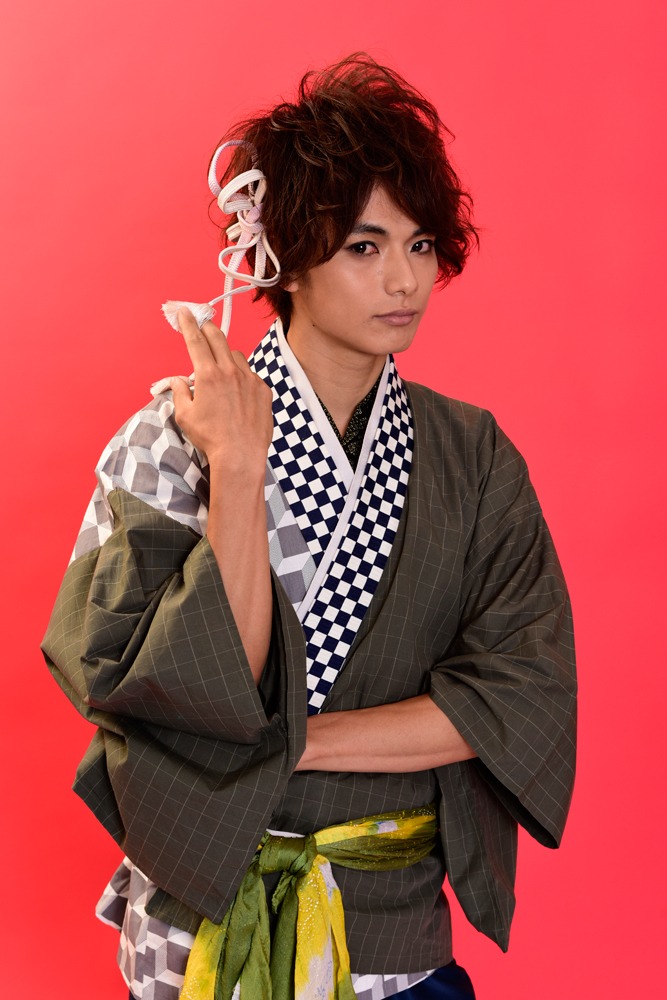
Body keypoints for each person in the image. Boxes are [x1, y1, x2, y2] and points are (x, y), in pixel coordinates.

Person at [42, 54, 577, 1000]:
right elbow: (189, 692)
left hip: (390, 921)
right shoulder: (166, 442)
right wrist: (239, 470)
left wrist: (290, 740)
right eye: (364, 247)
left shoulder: (472, 454)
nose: (403, 279)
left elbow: (517, 694)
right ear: (283, 257)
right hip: (200, 915)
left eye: (420, 243)